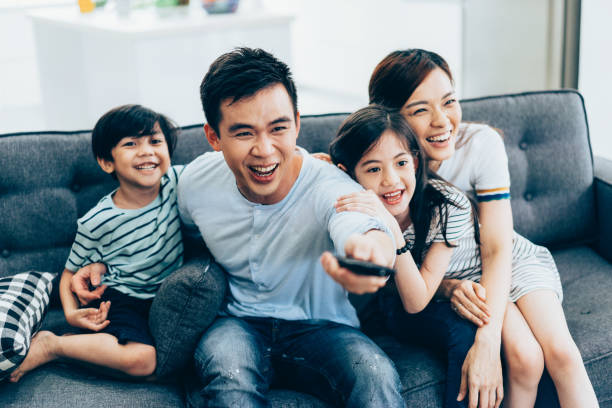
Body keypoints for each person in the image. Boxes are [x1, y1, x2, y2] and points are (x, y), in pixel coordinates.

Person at [363, 48, 598, 408]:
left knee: (562, 354)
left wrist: (487, 343)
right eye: (420, 110)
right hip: (463, 275)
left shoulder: (479, 144)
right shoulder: (385, 168)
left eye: (449, 102)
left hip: (509, 259)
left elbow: (497, 247)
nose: (442, 121)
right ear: (390, 119)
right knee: (524, 356)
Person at [173, 47, 404, 407]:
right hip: (237, 322)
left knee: (375, 374)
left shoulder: (329, 186)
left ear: (297, 123)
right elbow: (182, 233)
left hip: (323, 327)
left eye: (278, 128)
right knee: (229, 382)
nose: (265, 150)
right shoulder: (195, 184)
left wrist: (370, 256)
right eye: (244, 133)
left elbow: (364, 228)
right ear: (213, 137)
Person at [9, 104, 184, 382]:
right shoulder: (98, 220)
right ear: (107, 162)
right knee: (143, 361)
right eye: (131, 143)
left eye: (155, 141)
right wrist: (71, 314)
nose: (147, 151)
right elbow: (69, 273)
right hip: (122, 297)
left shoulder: (178, 183)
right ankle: (53, 345)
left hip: (166, 298)